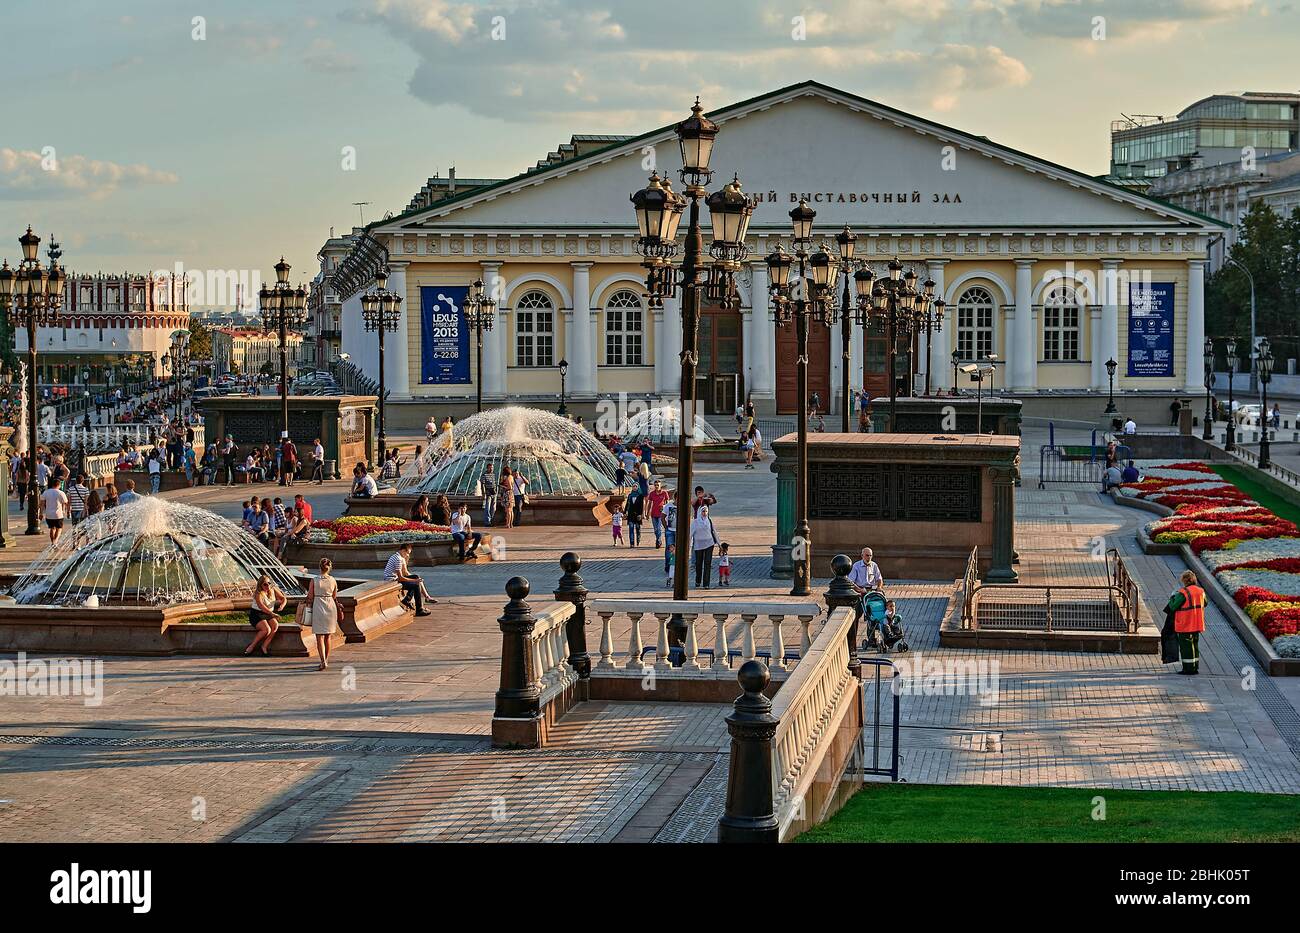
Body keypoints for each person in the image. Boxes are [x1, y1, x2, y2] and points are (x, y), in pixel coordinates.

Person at [1165, 570, 1206, 675]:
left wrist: (1172, 597)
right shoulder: (1201, 591)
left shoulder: (1183, 592)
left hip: (1186, 623)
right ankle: (1195, 667)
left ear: (1184, 581)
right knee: (1194, 646)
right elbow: (1205, 603)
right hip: (1197, 623)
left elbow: (1173, 606)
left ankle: (1188, 669)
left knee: (1186, 647)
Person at [306, 557, 341, 670]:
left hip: (318, 605)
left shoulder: (314, 580)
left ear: (319, 567)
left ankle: (322, 661)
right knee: (328, 636)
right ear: (329, 567)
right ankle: (326, 659)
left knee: (319, 636)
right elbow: (335, 596)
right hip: (330, 605)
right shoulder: (333, 580)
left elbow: (310, 596)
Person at [244, 573, 288, 656]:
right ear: (260, 585)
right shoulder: (258, 593)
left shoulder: (273, 589)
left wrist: (282, 605)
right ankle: (252, 646)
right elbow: (261, 607)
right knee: (266, 630)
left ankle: (264, 646)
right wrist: (273, 614)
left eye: (269, 583)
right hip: (257, 614)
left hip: (268, 613)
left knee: (275, 626)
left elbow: (283, 598)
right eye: (265, 584)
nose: (267, 586)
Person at [384, 543, 432, 616]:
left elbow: (405, 573)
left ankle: (407, 600)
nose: (408, 555)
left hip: (395, 578)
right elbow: (401, 577)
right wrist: (415, 581)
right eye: (407, 553)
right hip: (392, 580)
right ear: (403, 550)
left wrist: (416, 579)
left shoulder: (398, 556)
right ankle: (419, 609)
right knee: (415, 585)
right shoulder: (398, 559)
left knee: (415, 577)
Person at [690, 504, 720, 589]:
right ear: (700, 512)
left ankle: (706, 583)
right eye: (703, 511)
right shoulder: (695, 522)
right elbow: (690, 534)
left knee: (707, 563)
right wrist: (688, 546)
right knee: (698, 564)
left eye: (706, 511)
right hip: (698, 545)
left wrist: (719, 544)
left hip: (709, 544)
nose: (704, 513)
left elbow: (714, 532)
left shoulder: (709, 521)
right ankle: (698, 581)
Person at [41, 479, 68, 545]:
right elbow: (66, 502)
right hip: (58, 514)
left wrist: (41, 513)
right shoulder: (61, 493)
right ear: (59, 485)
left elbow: (41, 504)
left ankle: (53, 542)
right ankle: (55, 541)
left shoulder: (46, 492)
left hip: (49, 514)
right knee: (59, 528)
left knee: (52, 528)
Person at [647, 480, 670, 549]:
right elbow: (650, 503)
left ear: (660, 486)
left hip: (661, 514)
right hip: (654, 514)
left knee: (659, 528)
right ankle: (658, 539)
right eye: (655, 485)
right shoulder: (652, 493)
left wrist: (665, 509)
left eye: (658, 485)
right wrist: (647, 513)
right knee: (655, 529)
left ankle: (658, 541)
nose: (656, 486)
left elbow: (667, 503)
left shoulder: (664, 493)